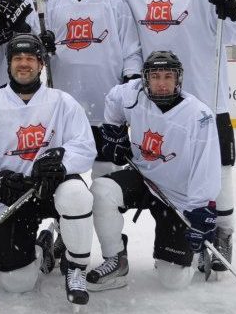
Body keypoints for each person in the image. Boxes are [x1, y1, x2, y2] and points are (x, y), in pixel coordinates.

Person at [112, 0, 236, 272]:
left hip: (208, 100)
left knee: (220, 170)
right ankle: (181, 225)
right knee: (169, 164)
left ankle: (223, 232)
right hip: (160, 104)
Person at [0, 34, 96, 308]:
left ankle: (76, 266)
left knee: (76, 194)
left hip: (51, 191)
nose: (24, 64)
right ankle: (43, 246)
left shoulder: (62, 101)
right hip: (13, 196)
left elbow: (85, 146)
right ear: (9, 64)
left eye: (30, 59)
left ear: (41, 64)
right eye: (18, 59)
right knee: (17, 284)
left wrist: (61, 164)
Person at [88, 51, 220, 291]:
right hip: (143, 178)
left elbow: (207, 167)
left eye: (168, 76)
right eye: (155, 76)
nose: (161, 83)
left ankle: (195, 253)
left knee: (173, 282)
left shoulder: (199, 116)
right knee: (101, 189)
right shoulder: (133, 94)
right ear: (145, 79)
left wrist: (201, 210)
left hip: (178, 197)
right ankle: (115, 259)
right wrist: (113, 128)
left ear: (178, 79)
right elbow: (113, 99)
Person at [39, 0, 143, 178]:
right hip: (66, 105)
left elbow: (131, 49)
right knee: (64, 180)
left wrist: (131, 81)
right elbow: (39, 48)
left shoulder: (114, 1)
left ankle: (104, 216)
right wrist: (40, 44)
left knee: (106, 180)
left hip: (105, 105)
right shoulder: (53, 2)